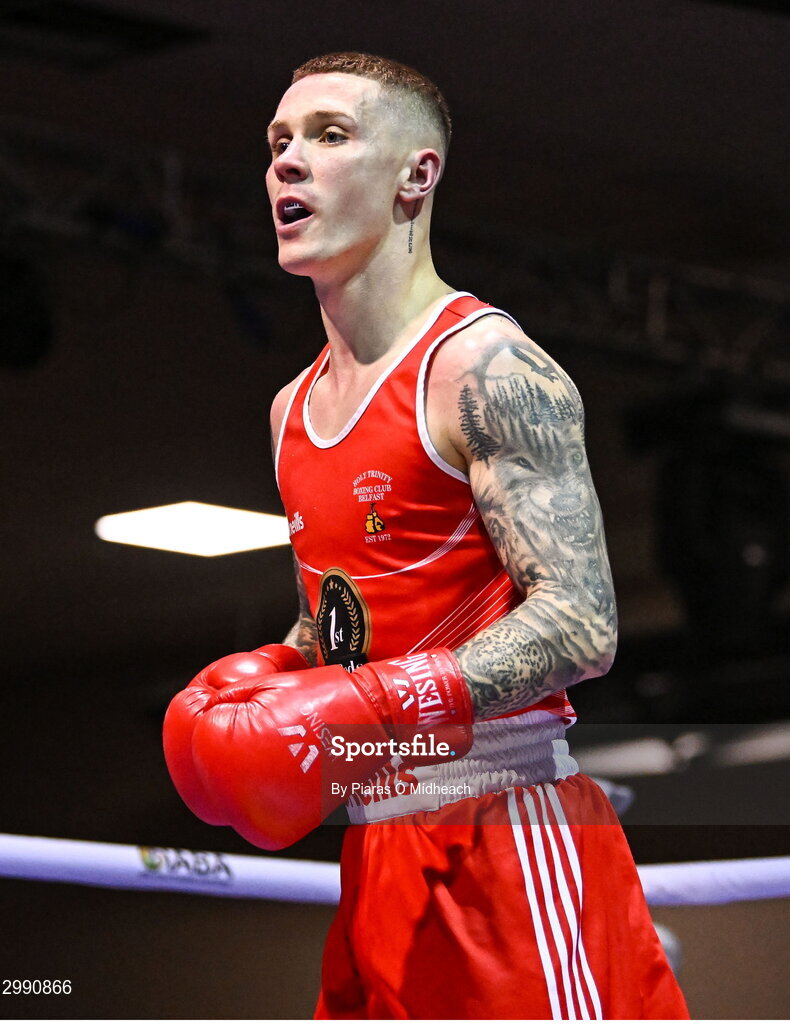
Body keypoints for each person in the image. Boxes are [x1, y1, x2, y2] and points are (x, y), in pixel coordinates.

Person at [164, 52, 689, 1019]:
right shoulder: (292, 409)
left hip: (506, 827)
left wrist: (376, 699)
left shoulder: (484, 366)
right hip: (377, 839)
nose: (287, 163)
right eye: (278, 143)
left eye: (328, 135)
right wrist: (273, 680)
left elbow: (581, 624)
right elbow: (352, 613)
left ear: (418, 173)